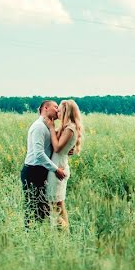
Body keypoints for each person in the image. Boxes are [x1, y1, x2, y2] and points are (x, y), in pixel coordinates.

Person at [20, 100, 66, 228]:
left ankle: (38, 235)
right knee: (33, 208)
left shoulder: (47, 126)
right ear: (45, 108)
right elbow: (39, 154)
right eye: (55, 107)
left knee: (42, 209)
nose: (58, 110)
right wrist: (56, 170)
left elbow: (54, 147)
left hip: (41, 171)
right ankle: (30, 237)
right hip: (33, 172)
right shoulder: (39, 127)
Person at [46, 99, 84, 230]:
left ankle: (62, 232)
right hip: (58, 165)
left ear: (66, 112)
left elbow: (56, 148)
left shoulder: (70, 128)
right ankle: (64, 232)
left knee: (55, 204)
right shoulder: (65, 127)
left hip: (58, 168)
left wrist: (51, 128)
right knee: (58, 204)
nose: (57, 112)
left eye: (60, 110)